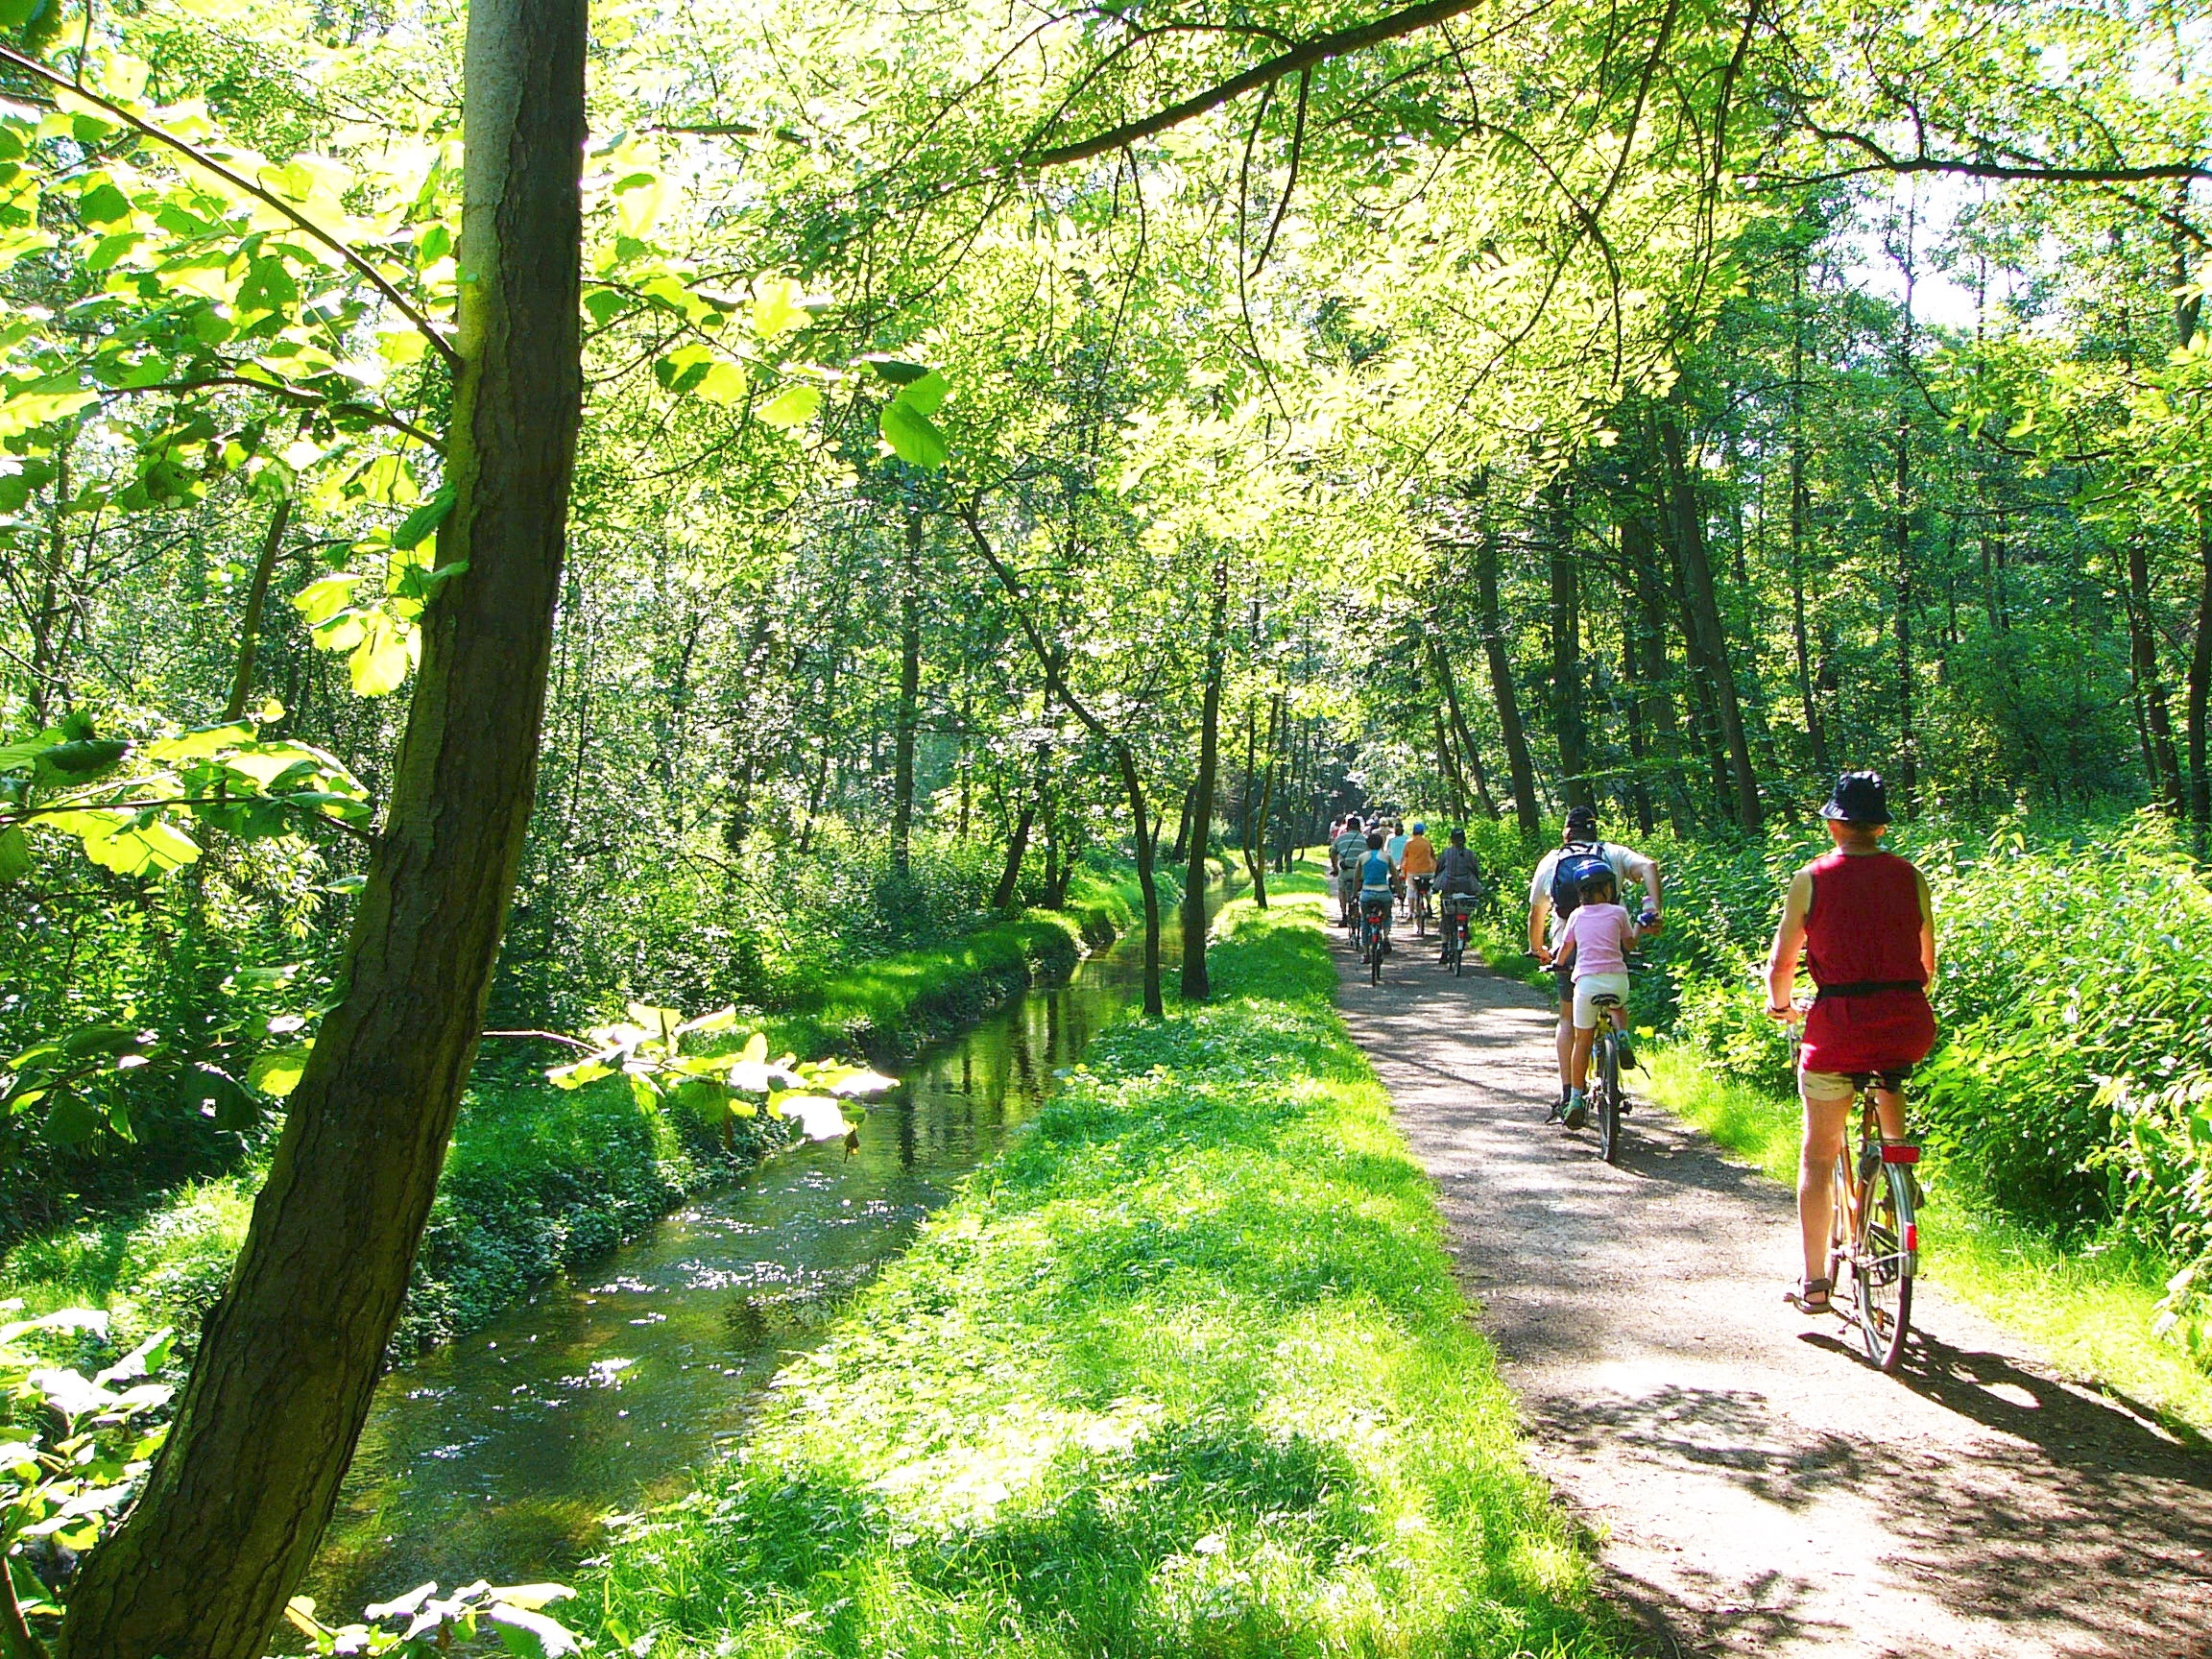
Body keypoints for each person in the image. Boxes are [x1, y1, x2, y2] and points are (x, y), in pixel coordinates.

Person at [1764, 771, 1936, 1316]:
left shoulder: (1811, 877)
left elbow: (1782, 963)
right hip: (1907, 1022)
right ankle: (1896, 1168)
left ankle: (1815, 1284)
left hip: (1838, 1026)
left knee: (1818, 1155)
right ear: (1880, 826)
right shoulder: (1911, 877)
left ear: (1836, 823)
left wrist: (1780, 1005)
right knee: (1890, 1074)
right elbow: (1927, 965)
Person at [1527, 805, 1662, 1119]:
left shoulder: (1552, 861)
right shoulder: (1611, 854)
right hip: (1614, 948)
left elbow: (1537, 914)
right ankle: (1622, 1038)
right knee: (1617, 1001)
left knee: (1568, 1021)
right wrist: (1655, 911)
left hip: (1571, 950)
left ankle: (1569, 1094)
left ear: (1567, 832)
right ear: (1594, 830)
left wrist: (1539, 950)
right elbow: (1650, 867)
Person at [1541, 868, 1647, 1128]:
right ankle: (1622, 1037)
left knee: (1583, 1041)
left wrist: (1556, 963)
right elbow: (1630, 944)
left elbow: (1566, 949)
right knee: (1618, 1008)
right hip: (1617, 981)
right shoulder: (1619, 913)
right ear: (1608, 889)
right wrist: (1640, 927)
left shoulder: (1576, 916)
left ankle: (1576, 1099)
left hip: (1586, 985)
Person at [1357, 830, 1396, 950]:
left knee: (1364, 919)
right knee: (1387, 915)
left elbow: (1356, 878)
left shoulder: (1362, 857)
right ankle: (1385, 937)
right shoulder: (1387, 857)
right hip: (1383, 893)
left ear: (1367, 845)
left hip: (1367, 893)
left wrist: (1354, 893)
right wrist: (1399, 892)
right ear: (1381, 844)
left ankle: (1366, 951)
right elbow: (1395, 877)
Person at [1331, 815, 1370, 927]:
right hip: (1361, 873)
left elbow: (1333, 853)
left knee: (1342, 891)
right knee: (1363, 890)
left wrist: (1335, 868)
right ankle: (1362, 913)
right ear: (1359, 828)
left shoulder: (1340, 838)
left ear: (1347, 827)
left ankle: (1344, 915)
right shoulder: (1365, 839)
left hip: (1346, 871)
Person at [1402, 820, 1438, 923]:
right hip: (1428, 871)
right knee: (1428, 888)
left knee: (1411, 889)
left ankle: (1411, 911)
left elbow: (1404, 857)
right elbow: (1433, 856)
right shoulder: (1427, 842)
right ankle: (1429, 904)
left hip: (1413, 871)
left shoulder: (1409, 843)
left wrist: (1402, 869)